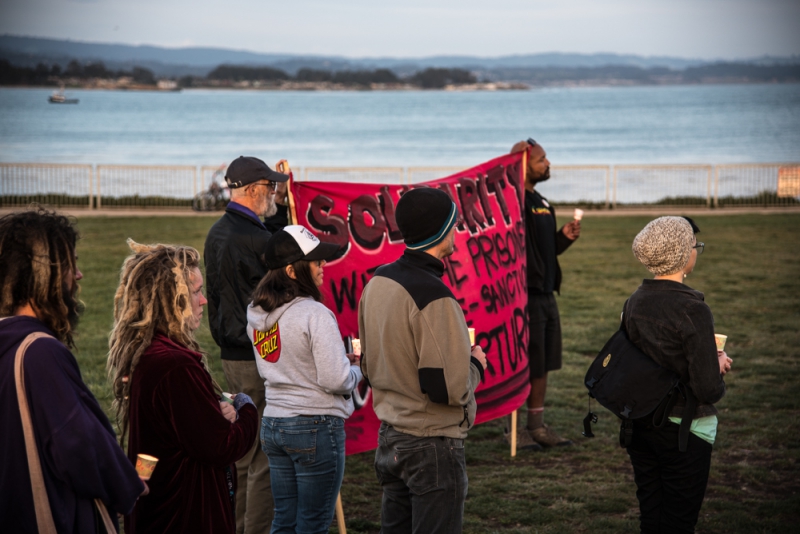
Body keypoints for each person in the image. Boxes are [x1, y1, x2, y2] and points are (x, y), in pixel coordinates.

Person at [0, 208, 145, 533]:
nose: (78, 275)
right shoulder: (39, 351)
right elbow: (77, 445)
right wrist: (126, 485)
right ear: (41, 273)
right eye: (70, 264)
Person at [358, 187, 488, 534]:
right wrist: (475, 364)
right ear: (443, 230)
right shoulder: (435, 297)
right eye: (454, 223)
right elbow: (447, 387)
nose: (458, 230)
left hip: (390, 438)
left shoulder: (378, 281)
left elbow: (367, 365)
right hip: (430, 443)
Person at [108, 240, 259, 534]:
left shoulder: (151, 352)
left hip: (161, 508)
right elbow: (222, 446)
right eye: (195, 292)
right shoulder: (175, 365)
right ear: (170, 298)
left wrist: (214, 413)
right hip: (183, 514)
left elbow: (181, 430)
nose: (203, 301)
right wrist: (245, 408)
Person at [246, 225, 361, 534]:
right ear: (292, 271)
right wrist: (359, 371)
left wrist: (338, 360)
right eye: (316, 261)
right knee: (312, 525)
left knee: (283, 520)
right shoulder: (315, 314)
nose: (323, 266)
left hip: (274, 424)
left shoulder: (255, 313)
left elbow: (289, 360)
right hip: (315, 426)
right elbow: (336, 379)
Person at [624, 216, 730, 533]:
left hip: (640, 424)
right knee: (679, 521)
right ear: (684, 254)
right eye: (694, 245)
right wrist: (718, 365)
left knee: (652, 516)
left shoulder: (634, 301)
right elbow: (708, 388)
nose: (697, 250)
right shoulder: (693, 309)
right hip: (684, 430)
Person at [204, 155, 290, 533]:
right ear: (254, 190)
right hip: (258, 355)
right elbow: (279, 258)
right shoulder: (256, 239)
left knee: (241, 451)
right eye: (270, 187)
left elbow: (264, 239)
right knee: (264, 456)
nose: (274, 192)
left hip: (230, 352)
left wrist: (282, 209)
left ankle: (233, 524)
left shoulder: (220, 231)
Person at [508, 138, 581, 450]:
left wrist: (562, 239)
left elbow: (544, 251)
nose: (548, 163)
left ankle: (536, 426)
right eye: (541, 159)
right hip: (521, 297)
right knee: (521, 363)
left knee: (544, 361)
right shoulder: (510, 203)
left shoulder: (541, 201)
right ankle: (514, 430)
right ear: (523, 164)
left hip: (546, 294)